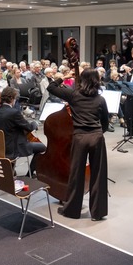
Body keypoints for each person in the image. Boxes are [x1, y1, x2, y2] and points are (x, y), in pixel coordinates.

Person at [47, 69, 109, 221]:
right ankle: (98, 213)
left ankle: (72, 210)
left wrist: (64, 77)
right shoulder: (101, 100)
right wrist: (98, 132)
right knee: (98, 175)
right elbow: (105, 123)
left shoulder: (73, 95)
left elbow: (51, 87)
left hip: (80, 138)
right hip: (97, 137)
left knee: (76, 174)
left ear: (82, 80)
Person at [0, 87, 46, 177]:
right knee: (42, 147)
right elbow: (28, 127)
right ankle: (30, 174)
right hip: (13, 147)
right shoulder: (14, 113)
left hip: (0, 146)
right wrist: (34, 123)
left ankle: (11, 169)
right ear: (12, 98)